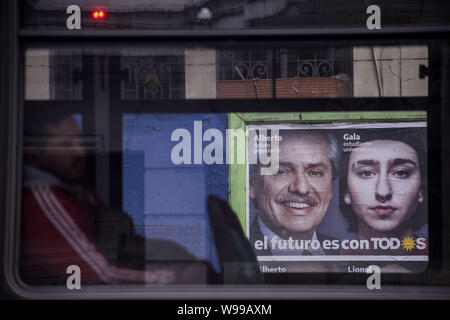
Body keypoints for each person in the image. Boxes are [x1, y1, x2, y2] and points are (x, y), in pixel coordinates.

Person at [20, 110, 213, 286]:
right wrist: (176, 278)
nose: (80, 151)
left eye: (80, 141)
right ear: (33, 154)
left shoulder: (76, 188)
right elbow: (98, 275)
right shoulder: (43, 200)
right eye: (65, 145)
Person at [339, 128, 428, 260]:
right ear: (346, 192)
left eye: (401, 173)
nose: (383, 191)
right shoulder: (334, 264)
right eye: (366, 173)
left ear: (421, 190)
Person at [249, 130, 340, 256]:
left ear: (331, 187)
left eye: (315, 173)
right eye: (281, 172)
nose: (301, 188)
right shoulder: (237, 251)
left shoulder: (346, 254)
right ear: (251, 185)